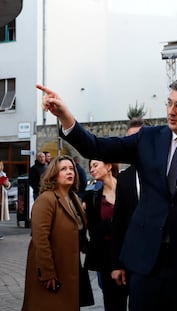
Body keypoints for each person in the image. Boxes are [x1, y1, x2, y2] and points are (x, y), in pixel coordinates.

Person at [37, 76, 177, 311]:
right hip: (146, 265)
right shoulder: (148, 138)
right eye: (169, 103)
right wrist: (65, 116)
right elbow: (96, 146)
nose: (171, 111)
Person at [21, 155, 89, 311]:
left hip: (70, 268)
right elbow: (40, 239)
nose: (69, 172)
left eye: (71, 168)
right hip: (53, 270)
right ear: (54, 174)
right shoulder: (46, 199)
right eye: (63, 169)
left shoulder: (74, 199)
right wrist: (47, 272)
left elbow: (79, 231)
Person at [82, 159, 127, 311]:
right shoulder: (92, 197)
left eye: (95, 165)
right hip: (106, 257)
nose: (92, 170)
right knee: (113, 303)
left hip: (130, 253)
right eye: (90, 167)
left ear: (108, 166)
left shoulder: (128, 189)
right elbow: (94, 231)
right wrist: (114, 222)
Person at [111, 118, 144, 294]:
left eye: (138, 138)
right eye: (129, 139)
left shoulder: (166, 171)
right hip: (134, 260)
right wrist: (117, 264)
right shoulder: (124, 178)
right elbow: (119, 222)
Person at [0, 161, 12, 239]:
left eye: (1, 165)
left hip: (1, 195)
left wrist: (7, 184)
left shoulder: (3, 174)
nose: (1, 166)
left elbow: (8, 185)